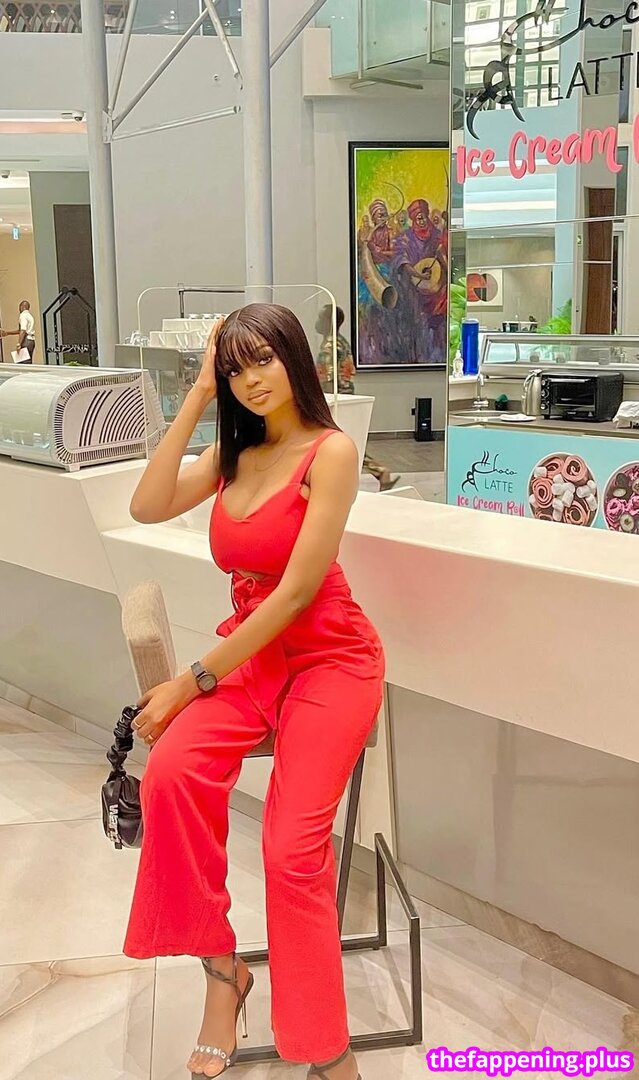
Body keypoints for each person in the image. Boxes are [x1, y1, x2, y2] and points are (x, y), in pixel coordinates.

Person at [124, 304, 386, 1080]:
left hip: (328, 659)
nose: (251, 379)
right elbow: (146, 503)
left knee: (290, 851)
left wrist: (190, 681)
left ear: (293, 358)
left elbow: (297, 593)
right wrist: (198, 394)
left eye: (262, 359)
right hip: (252, 658)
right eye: (234, 368)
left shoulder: (329, 452)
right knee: (169, 779)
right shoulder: (233, 453)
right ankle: (222, 975)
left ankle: (325, 1051)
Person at [314, 304, 399, 492]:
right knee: (350, 439)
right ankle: (380, 472)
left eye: (320, 318)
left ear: (328, 321)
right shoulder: (340, 342)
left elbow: (328, 379)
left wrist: (322, 405)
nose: (317, 322)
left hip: (336, 401)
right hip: (344, 398)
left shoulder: (330, 346)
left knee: (344, 440)